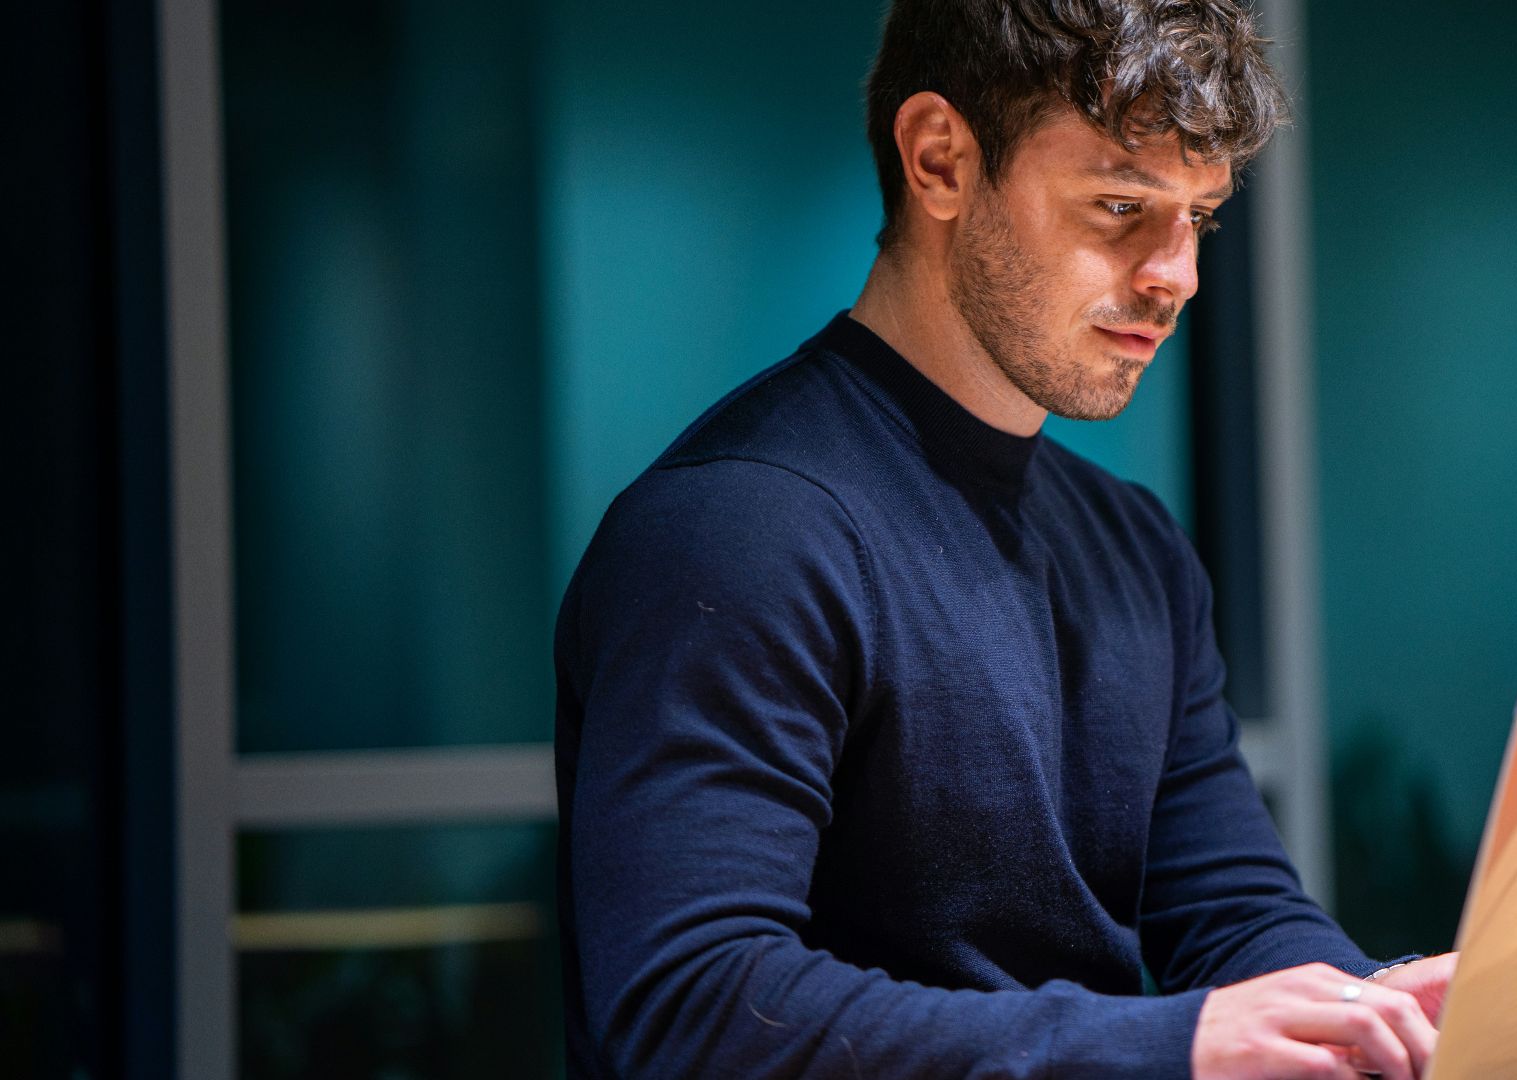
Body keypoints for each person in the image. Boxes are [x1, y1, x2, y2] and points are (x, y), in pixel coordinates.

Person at [554, 1, 1456, 1076]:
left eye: (1200, 218)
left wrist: (1367, 1009)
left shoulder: (1134, 546)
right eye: (1121, 204)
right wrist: (1169, 1045)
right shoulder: (737, 531)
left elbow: (1231, 908)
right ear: (940, 159)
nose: (1177, 277)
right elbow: (691, 1006)